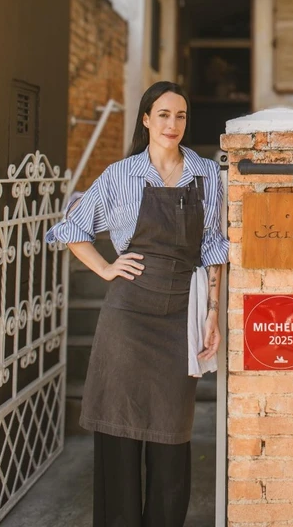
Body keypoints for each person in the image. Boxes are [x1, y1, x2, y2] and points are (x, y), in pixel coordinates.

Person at [46, 81, 228, 527]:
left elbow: (213, 248)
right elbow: (70, 228)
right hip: (127, 318)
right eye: (163, 114)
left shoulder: (207, 174)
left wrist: (211, 312)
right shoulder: (120, 174)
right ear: (146, 119)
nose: (172, 124)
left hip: (180, 314)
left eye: (180, 115)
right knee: (118, 437)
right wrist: (106, 269)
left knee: (171, 437)